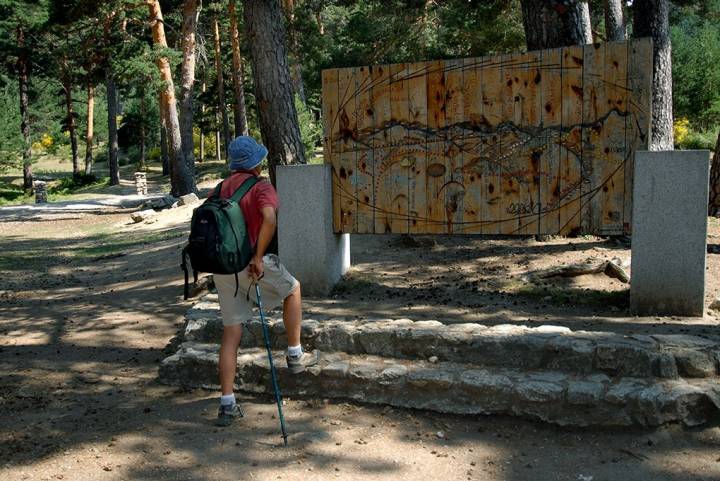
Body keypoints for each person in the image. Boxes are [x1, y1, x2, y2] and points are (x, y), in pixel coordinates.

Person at [212, 135, 318, 427]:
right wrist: (258, 258)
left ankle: (227, 403)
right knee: (293, 289)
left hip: (223, 268)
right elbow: (269, 218)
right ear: (257, 162)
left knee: (231, 333)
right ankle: (295, 354)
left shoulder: (220, 188)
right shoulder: (261, 186)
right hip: (250, 263)